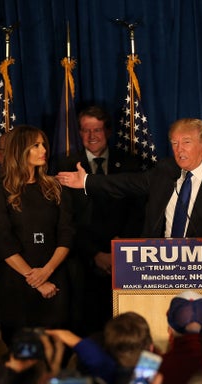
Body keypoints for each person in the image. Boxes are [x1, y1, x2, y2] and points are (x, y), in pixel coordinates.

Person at [56, 118, 202, 317]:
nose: (179, 149)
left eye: (186, 142)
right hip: (163, 274)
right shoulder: (166, 171)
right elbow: (126, 183)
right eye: (174, 143)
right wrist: (87, 181)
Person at [56, 106, 143, 335]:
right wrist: (95, 254)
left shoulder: (130, 165)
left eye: (97, 130)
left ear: (109, 131)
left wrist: (120, 248)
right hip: (82, 262)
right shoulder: (64, 167)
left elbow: (139, 211)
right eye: (85, 130)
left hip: (124, 259)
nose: (92, 136)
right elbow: (66, 218)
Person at [0, 125, 74, 340]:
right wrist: (35, 279)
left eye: (43, 144)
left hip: (55, 280)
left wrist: (47, 271)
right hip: (16, 284)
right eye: (36, 145)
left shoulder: (55, 187)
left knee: (55, 349)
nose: (43, 149)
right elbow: (2, 239)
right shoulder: (0, 189)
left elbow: (66, 234)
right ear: (20, 150)